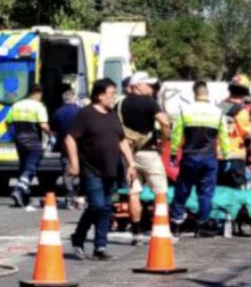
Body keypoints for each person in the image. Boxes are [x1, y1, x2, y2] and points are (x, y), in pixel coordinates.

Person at [66, 79, 137, 260]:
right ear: (99, 95)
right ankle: (79, 237)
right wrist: (74, 163)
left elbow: (122, 140)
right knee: (97, 205)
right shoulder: (85, 114)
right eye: (111, 94)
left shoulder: (112, 114)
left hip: (112, 170)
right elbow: (70, 138)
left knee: (105, 208)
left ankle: (100, 247)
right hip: (91, 169)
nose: (114, 98)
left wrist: (131, 164)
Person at [118, 71, 172, 245]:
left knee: (134, 192)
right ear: (137, 86)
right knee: (160, 191)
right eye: (148, 85)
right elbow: (164, 122)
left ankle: (136, 233)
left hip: (128, 154)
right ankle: (160, 229)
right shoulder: (149, 102)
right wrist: (165, 140)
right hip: (148, 152)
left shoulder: (119, 103)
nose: (151, 88)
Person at [170, 81, 228, 238]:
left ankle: (176, 222)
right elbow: (224, 135)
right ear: (207, 93)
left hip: (190, 156)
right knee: (206, 193)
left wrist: (174, 151)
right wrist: (226, 154)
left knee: (183, 190)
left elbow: (176, 133)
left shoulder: (185, 110)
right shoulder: (218, 112)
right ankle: (201, 225)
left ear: (194, 93)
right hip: (209, 157)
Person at [7, 84, 52, 210]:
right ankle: (19, 189)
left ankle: (23, 197)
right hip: (33, 141)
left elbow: (8, 122)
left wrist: (12, 135)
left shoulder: (16, 105)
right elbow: (43, 125)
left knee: (23, 166)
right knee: (31, 167)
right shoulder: (39, 106)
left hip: (19, 140)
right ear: (39, 93)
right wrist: (51, 135)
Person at [218, 75, 251, 189]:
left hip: (216, 156)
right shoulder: (241, 111)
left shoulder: (217, 108)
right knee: (237, 193)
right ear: (244, 93)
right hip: (235, 158)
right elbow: (247, 135)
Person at [51, 86, 83, 209]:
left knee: (67, 170)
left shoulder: (57, 112)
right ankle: (79, 196)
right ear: (74, 99)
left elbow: (53, 130)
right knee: (81, 170)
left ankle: (70, 196)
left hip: (64, 146)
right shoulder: (80, 111)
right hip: (80, 146)